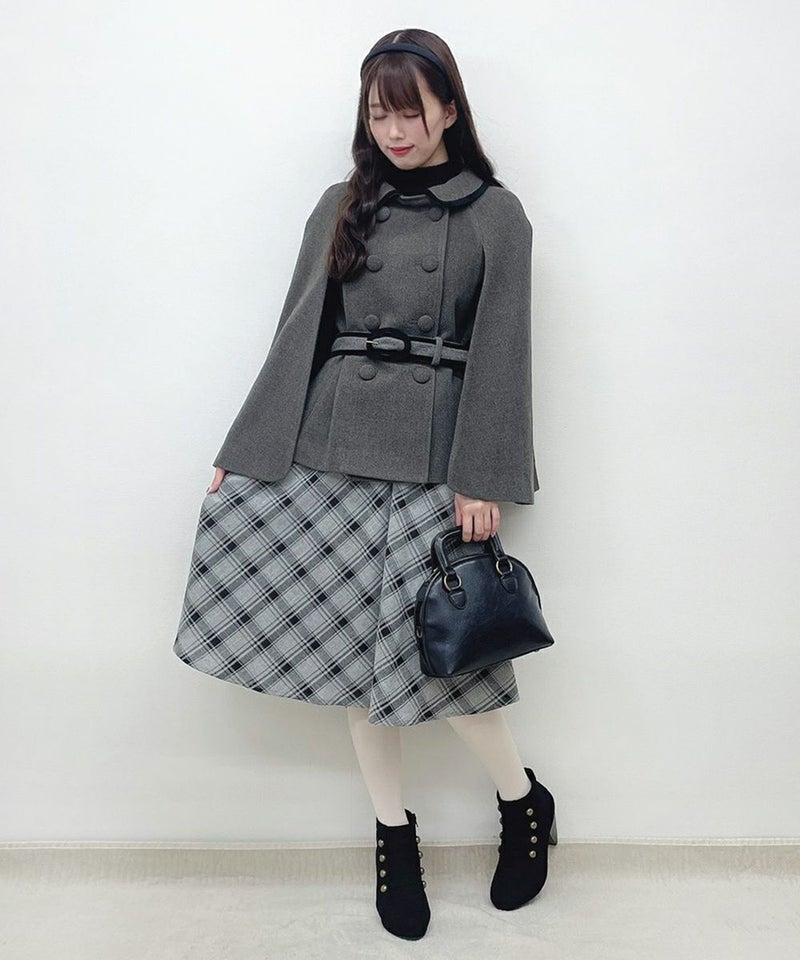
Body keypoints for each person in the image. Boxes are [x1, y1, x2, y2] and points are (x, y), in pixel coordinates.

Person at [173, 27, 557, 941]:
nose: (394, 130)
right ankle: (394, 836)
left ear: (450, 110)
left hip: (435, 460)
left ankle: (522, 803)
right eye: (379, 113)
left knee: (453, 664)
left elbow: (503, 354)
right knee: (358, 665)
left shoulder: (497, 217)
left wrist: (482, 475)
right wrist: (248, 449)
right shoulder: (343, 204)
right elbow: (298, 331)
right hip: (332, 445)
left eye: (411, 111)